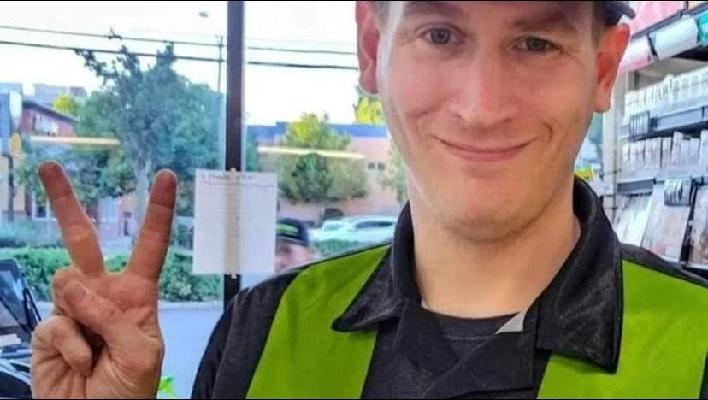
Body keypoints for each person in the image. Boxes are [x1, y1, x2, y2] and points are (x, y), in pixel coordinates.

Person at [31, 1, 708, 399]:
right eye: (440, 35)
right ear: (371, 45)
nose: (481, 107)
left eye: (535, 43)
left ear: (602, 68)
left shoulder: (696, 343)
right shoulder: (261, 333)